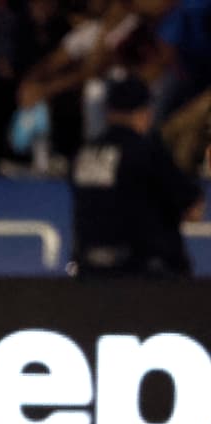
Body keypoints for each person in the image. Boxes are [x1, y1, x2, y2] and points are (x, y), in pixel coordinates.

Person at [69, 74, 204, 279]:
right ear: (144, 112)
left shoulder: (83, 154)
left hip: (89, 273)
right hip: (145, 278)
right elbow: (193, 210)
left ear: (108, 112)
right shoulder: (146, 151)